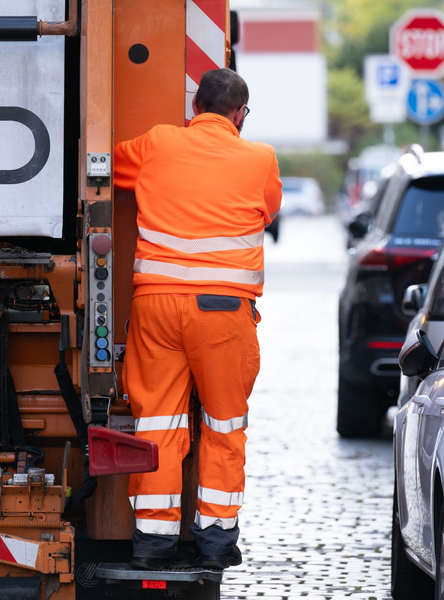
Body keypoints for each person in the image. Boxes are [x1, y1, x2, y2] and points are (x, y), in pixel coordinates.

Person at [113, 68, 283, 571]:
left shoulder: (157, 144)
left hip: (156, 307)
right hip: (223, 312)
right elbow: (267, 210)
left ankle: (152, 543)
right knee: (224, 426)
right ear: (239, 114)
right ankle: (214, 541)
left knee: (158, 423)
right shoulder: (261, 159)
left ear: (194, 106)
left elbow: (104, 166)